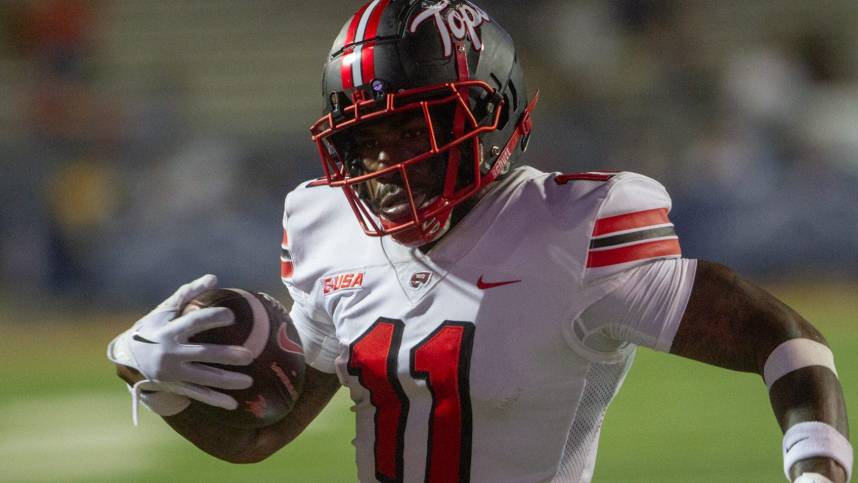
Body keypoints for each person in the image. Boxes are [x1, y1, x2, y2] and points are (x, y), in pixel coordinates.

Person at [107, 1, 852, 482]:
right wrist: (152, 380)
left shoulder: (575, 227)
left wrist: (817, 470)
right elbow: (263, 437)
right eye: (364, 138)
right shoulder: (322, 222)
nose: (384, 163)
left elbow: (784, 337)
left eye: (412, 130)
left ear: (488, 117)